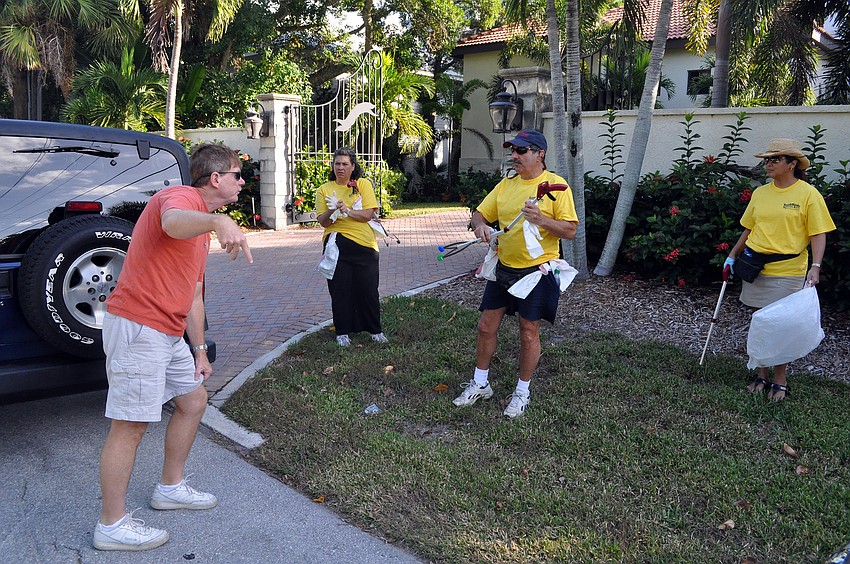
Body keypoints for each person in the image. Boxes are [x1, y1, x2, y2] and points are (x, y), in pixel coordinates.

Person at [93, 143, 253, 551]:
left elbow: (193, 295)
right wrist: (217, 225)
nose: (241, 181)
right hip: (138, 327)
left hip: (166, 332)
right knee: (130, 426)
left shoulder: (202, 225)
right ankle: (111, 525)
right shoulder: (180, 198)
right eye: (237, 174)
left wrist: (199, 349)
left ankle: (171, 487)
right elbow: (171, 222)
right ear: (216, 178)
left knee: (193, 401)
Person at [452, 129, 578, 418]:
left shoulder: (556, 186)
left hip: (537, 272)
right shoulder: (506, 184)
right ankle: (481, 384)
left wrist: (542, 219)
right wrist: (479, 226)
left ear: (539, 154)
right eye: (513, 150)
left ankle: (522, 391)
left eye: (521, 151)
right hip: (504, 267)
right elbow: (480, 213)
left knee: (528, 332)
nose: (515, 156)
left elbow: (570, 230)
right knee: (486, 325)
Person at [724, 138, 835, 401]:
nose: (768, 164)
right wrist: (732, 255)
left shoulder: (808, 194)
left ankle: (780, 379)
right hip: (755, 267)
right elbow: (749, 228)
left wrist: (815, 266)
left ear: (792, 164)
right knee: (760, 322)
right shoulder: (761, 193)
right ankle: (761, 375)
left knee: (781, 325)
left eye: (775, 159)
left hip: (788, 270)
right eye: (767, 160)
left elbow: (818, 234)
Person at [316, 147, 387, 346]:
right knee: (340, 290)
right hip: (337, 246)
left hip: (365, 245)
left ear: (352, 166)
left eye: (345, 164)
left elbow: (367, 214)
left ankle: (375, 330)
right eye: (337, 163)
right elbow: (323, 222)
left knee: (368, 289)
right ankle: (342, 332)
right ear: (333, 166)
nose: (340, 167)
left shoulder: (362, 185)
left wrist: (347, 211)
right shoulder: (324, 189)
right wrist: (332, 209)